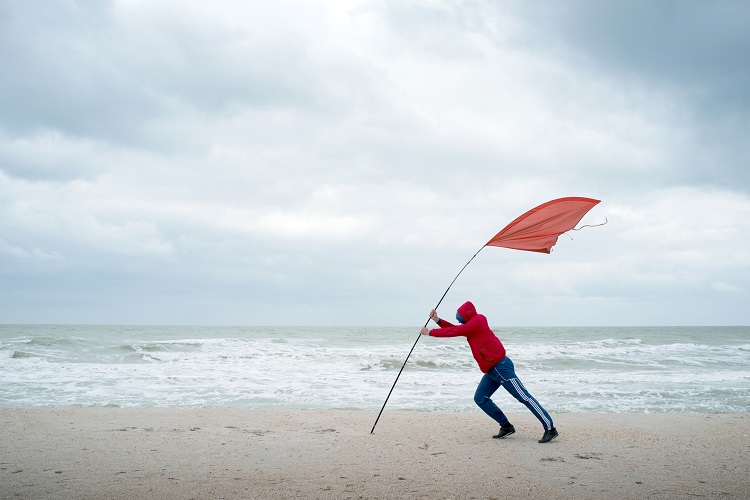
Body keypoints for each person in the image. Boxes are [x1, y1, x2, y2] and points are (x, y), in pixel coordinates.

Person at [420, 301, 558, 443]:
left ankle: (550, 429)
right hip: (492, 370)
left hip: (501, 367)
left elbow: (457, 330)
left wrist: (430, 332)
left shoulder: (479, 320)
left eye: (460, 318)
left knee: (524, 397)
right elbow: (457, 329)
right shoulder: (471, 326)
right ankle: (506, 426)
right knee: (480, 398)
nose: (459, 321)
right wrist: (437, 320)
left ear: (467, 315)